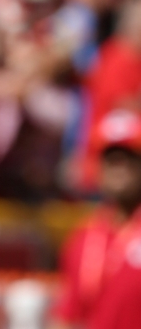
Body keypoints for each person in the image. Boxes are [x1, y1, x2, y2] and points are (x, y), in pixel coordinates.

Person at [52, 108, 141, 328]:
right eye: (111, 158)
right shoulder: (84, 238)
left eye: (129, 157)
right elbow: (68, 315)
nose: (118, 167)